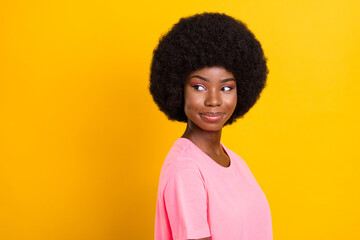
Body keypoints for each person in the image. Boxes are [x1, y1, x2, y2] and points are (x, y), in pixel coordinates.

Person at [149, 12, 272, 240]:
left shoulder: (234, 161)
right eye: (199, 87)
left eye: (226, 88)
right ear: (178, 89)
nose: (214, 100)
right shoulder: (186, 169)